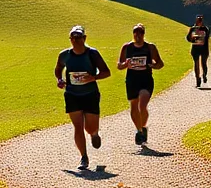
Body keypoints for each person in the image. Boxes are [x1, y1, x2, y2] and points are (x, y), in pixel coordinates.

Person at [55, 25, 111, 170]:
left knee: (90, 127)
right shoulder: (64, 55)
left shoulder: (92, 53)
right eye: (73, 38)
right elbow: (58, 69)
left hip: (90, 94)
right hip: (72, 94)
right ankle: (83, 157)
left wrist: (93, 77)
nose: (75, 40)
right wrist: (60, 80)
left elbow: (106, 72)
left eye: (78, 37)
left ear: (84, 38)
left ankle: (94, 134)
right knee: (78, 126)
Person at [117, 23, 164, 145]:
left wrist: (152, 65)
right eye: (136, 32)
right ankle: (139, 130)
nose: (138, 35)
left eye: (140, 32)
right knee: (134, 106)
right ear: (133, 34)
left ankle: (142, 128)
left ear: (144, 34)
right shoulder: (127, 47)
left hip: (145, 80)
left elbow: (160, 64)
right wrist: (125, 64)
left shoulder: (150, 48)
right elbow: (119, 65)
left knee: (142, 106)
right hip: (132, 80)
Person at [186, 15, 211, 87]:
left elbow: (206, 38)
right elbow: (188, 38)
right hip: (196, 49)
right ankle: (198, 78)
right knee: (196, 63)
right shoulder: (193, 28)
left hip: (204, 49)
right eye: (198, 20)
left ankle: (204, 75)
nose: (199, 22)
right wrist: (192, 37)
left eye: (200, 20)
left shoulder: (205, 29)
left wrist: (198, 34)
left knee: (204, 63)